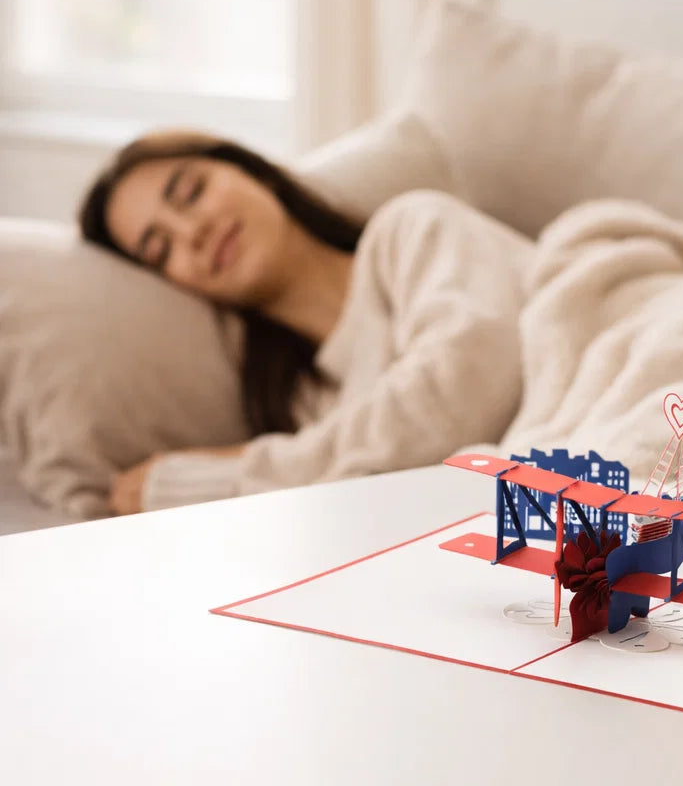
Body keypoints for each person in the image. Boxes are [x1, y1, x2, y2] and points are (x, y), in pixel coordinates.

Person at [79, 130, 532, 515]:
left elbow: (462, 388)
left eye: (190, 192)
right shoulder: (307, 407)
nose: (191, 233)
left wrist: (228, 470)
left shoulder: (412, 228)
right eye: (161, 251)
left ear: (251, 170)